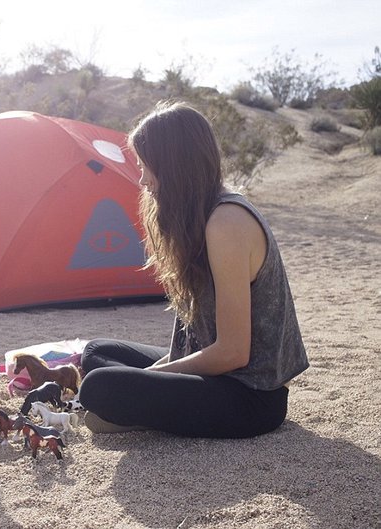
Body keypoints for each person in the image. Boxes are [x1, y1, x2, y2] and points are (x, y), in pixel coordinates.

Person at [78, 101, 309, 438]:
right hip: (215, 373)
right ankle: (152, 406)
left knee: (100, 387)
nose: (142, 180)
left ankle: (147, 408)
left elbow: (233, 352)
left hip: (251, 395)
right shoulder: (198, 214)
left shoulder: (227, 222)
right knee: (96, 353)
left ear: (174, 166)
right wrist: (158, 376)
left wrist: (160, 375)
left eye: (146, 167)